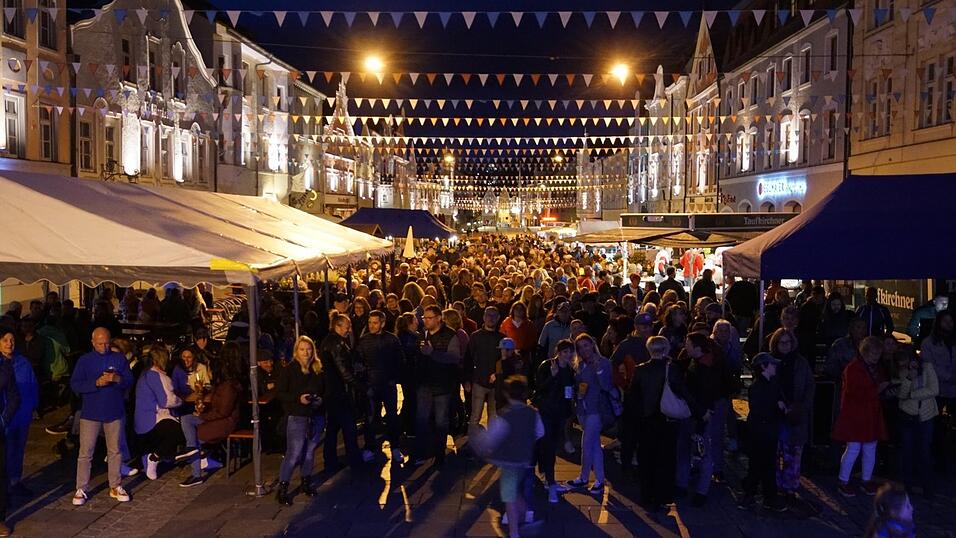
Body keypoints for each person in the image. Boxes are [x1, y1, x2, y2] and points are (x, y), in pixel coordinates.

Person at [474, 375, 544, 538]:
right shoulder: (532, 413)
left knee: (509, 498)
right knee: (513, 492)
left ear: (507, 394)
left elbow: (492, 438)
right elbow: (541, 432)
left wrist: (480, 444)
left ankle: (514, 532)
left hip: (509, 462)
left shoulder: (505, 416)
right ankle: (527, 513)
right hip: (525, 459)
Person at [71, 327, 133, 505]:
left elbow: (129, 380)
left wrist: (117, 379)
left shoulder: (118, 358)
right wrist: (95, 383)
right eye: (100, 344)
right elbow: (75, 384)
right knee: (86, 452)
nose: (104, 347)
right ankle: (81, 487)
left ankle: (115, 485)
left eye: (106, 343)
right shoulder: (85, 361)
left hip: (114, 411)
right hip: (91, 413)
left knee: (115, 450)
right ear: (92, 343)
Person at [676, 332, 735, 507]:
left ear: (697, 348)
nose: (684, 346)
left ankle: (701, 489)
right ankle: (684, 484)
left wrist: (703, 414)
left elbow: (707, 393)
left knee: (703, 451)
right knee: (689, 448)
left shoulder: (706, 368)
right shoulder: (697, 362)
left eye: (688, 343)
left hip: (701, 413)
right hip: (696, 412)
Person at [629, 336, 683, 510]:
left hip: (646, 419)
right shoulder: (672, 369)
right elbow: (682, 392)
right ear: (666, 349)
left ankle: (647, 495)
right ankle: (662, 495)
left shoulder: (640, 370)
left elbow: (633, 397)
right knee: (665, 459)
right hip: (667, 419)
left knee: (647, 459)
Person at [833, 336, 889, 497]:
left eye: (878, 355)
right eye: (873, 354)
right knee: (854, 448)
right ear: (864, 353)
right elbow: (855, 393)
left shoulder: (874, 368)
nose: (876, 358)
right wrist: (878, 390)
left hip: (869, 414)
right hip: (856, 414)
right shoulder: (853, 368)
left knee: (870, 448)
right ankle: (843, 480)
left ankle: (866, 479)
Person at [275, 336, 327, 505]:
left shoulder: (318, 368)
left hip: (315, 415)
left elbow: (325, 390)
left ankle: (306, 481)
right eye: (302, 349)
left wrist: (319, 399)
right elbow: (281, 393)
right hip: (297, 415)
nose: (306, 352)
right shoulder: (289, 370)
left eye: (309, 349)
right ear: (296, 351)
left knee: (310, 452)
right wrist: (298, 399)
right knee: (294, 453)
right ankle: (283, 487)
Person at [737, 353, 788, 512]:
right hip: (762, 432)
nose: (775, 366)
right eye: (771, 364)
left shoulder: (769, 384)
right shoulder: (759, 387)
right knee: (760, 464)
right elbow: (761, 411)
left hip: (765, 431)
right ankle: (760, 496)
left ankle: (758, 495)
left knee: (762, 464)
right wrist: (778, 407)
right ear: (763, 367)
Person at [770, 328, 814, 501]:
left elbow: (809, 386)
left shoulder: (801, 363)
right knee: (774, 451)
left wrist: (802, 407)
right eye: (782, 342)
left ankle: (790, 486)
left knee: (793, 454)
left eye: (788, 342)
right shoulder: (771, 361)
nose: (785, 346)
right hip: (775, 415)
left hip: (795, 414)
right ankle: (774, 483)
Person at [414, 305, 462, 466]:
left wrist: (432, 353)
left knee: (441, 421)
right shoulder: (422, 335)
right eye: (424, 318)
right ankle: (422, 452)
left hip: (442, 385)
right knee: (422, 420)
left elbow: (454, 358)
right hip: (424, 384)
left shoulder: (450, 335)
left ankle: (439, 454)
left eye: (429, 318)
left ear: (438, 318)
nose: (425, 321)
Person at [355, 310, 404, 462]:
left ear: (382, 323)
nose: (371, 325)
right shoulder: (364, 340)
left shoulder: (392, 340)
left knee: (392, 417)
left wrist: (394, 378)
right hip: (371, 384)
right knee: (370, 418)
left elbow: (400, 360)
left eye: (375, 322)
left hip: (387, 384)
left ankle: (395, 446)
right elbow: (358, 360)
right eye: (370, 322)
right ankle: (370, 447)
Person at [565, 334, 611, 495]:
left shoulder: (603, 362)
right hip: (582, 408)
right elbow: (577, 385)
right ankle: (599, 479)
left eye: (586, 345)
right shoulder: (580, 365)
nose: (584, 349)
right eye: (580, 347)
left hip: (596, 409)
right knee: (595, 445)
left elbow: (606, 386)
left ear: (592, 345)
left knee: (587, 443)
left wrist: (598, 370)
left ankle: (584, 477)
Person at [533, 340, 575, 503]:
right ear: (558, 352)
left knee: (550, 444)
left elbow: (568, 391)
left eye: (570, 352)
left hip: (559, 412)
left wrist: (569, 409)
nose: (568, 355)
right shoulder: (547, 365)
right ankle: (549, 481)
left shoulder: (570, 370)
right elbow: (539, 387)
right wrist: (553, 375)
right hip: (546, 411)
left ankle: (544, 474)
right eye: (565, 351)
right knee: (548, 445)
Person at [134, 346, 184, 480]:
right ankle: (156, 457)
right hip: (154, 418)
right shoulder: (158, 376)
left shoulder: (144, 375)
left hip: (141, 420)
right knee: (180, 432)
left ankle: (158, 457)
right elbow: (167, 401)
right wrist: (181, 401)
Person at [320, 313, 363, 471]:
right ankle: (355, 460)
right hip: (339, 393)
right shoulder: (336, 344)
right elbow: (344, 371)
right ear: (338, 326)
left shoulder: (330, 341)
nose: (349, 329)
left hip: (332, 392)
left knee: (332, 428)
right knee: (349, 427)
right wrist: (359, 386)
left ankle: (330, 460)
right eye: (347, 326)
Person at [894, 346, 938, 497]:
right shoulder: (902, 372)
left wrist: (913, 394)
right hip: (908, 415)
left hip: (926, 416)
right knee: (907, 452)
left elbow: (934, 389)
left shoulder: (927, 367)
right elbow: (901, 395)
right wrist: (908, 379)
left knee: (924, 452)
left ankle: (927, 486)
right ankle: (907, 485)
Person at [917, 310, 954, 472]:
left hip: (953, 390)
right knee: (937, 427)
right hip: (938, 390)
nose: (949, 324)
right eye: (945, 321)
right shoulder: (928, 343)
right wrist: (949, 376)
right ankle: (937, 460)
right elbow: (929, 365)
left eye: (951, 321)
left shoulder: (953, 342)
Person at [1, 330, 34, 498]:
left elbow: (31, 388)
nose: (9, 343)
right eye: (5, 340)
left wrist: (30, 409)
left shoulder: (23, 363)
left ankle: (15, 481)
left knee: (18, 450)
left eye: (12, 340)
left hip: (21, 416)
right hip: (4, 417)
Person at [466, 307, 504, 427]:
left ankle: (491, 443)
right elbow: (468, 359)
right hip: (479, 381)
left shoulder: (501, 338)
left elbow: (504, 360)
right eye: (488, 315)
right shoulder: (475, 337)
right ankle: (474, 442)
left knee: (493, 416)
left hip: (496, 383)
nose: (491, 318)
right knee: (475, 415)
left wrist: (497, 374)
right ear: (484, 317)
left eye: (494, 316)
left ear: (498, 318)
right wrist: (467, 379)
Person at [0, 334, 19, 536]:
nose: (9, 344)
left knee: (0, 472)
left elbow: (14, 395)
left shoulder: (5, 366)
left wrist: (4, 418)